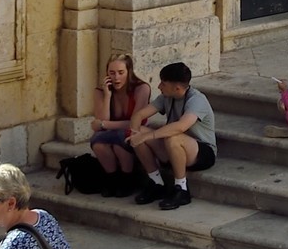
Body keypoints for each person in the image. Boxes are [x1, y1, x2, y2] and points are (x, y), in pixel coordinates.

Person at [131, 61, 218, 208]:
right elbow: (139, 115)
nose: (159, 87)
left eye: (163, 83)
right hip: (171, 147)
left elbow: (181, 126)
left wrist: (149, 136)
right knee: (139, 132)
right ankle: (156, 182)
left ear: (177, 88)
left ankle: (182, 189)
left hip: (201, 152)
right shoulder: (167, 96)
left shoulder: (197, 100)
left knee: (173, 137)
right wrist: (134, 135)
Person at [90, 52, 149, 185]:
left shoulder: (141, 89)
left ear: (129, 72)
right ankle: (112, 179)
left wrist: (105, 125)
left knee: (119, 143)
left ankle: (127, 180)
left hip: (134, 132)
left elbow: (135, 122)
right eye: (112, 73)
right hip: (111, 133)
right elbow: (100, 121)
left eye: (121, 72)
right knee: (98, 142)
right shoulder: (100, 91)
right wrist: (107, 97)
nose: (116, 77)